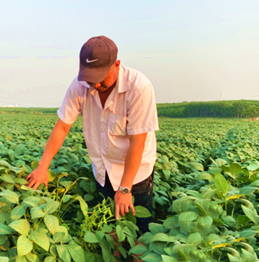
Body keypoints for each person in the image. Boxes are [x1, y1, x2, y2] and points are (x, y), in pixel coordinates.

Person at [26, 35, 159, 256]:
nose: (95, 85)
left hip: (135, 172)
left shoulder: (139, 87)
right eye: (90, 79)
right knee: (110, 231)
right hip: (104, 169)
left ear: (117, 65)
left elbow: (137, 142)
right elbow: (61, 127)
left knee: (139, 232)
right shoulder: (80, 86)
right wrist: (42, 166)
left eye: (100, 78)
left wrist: (125, 188)